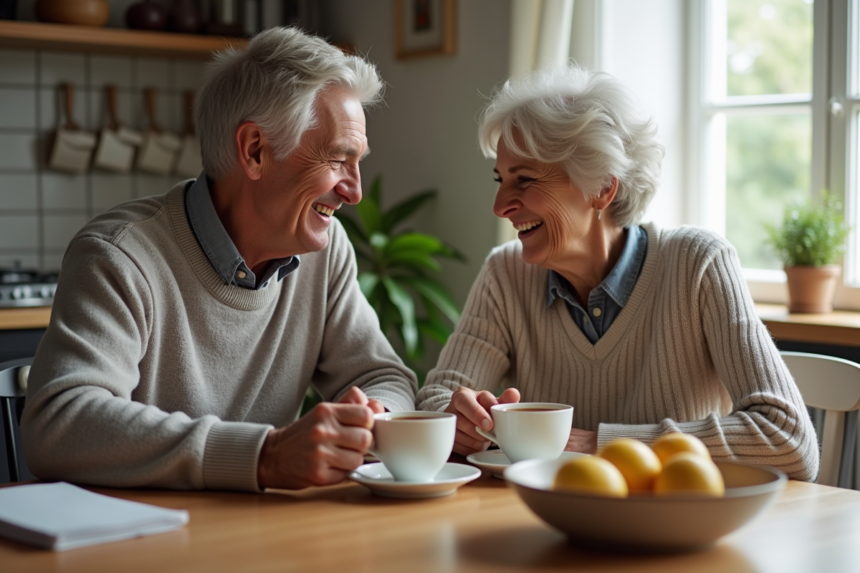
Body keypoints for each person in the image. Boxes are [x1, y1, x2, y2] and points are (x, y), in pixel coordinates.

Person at [22, 27, 418, 492]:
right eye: (337, 160)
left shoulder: (326, 252)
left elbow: (382, 375)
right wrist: (263, 456)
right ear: (255, 151)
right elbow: (58, 423)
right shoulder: (120, 256)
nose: (354, 190)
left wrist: (373, 417)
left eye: (357, 162)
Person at [416, 65, 818, 481]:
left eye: (525, 180)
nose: (500, 206)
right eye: (501, 179)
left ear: (602, 188)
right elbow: (434, 401)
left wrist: (598, 446)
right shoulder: (505, 272)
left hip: (676, 527)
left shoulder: (699, 264)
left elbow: (787, 440)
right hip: (548, 525)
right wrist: (457, 419)